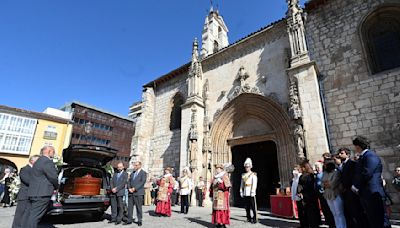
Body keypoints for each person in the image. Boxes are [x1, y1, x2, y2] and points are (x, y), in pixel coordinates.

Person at [351, 136, 390, 228]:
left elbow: (367, 173)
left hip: (373, 192)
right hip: (366, 193)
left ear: (358, 146)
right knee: (373, 220)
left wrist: (355, 186)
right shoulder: (363, 157)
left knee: (380, 220)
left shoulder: (370, 155)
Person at [25, 146, 59, 228]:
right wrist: (57, 186)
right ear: (49, 151)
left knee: (32, 216)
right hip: (42, 194)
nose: (54, 154)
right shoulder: (47, 162)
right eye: (53, 152)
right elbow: (53, 177)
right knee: (35, 217)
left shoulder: (38, 161)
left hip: (34, 193)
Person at [337, 147, 366, 228]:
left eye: (342, 153)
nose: (340, 155)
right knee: (350, 213)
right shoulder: (342, 165)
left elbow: (353, 177)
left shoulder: (352, 164)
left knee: (357, 212)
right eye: (339, 153)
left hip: (351, 192)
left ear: (348, 154)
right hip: (345, 193)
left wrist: (347, 186)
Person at [12, 155, 40, 228]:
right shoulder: (25, 169)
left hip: (31, 196)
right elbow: (27, 181)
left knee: (26, 216)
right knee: (20, 216)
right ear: (32, 161)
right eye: (38, 161)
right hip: (24, 196)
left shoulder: (34, 170)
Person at [322, 159, 346, 228]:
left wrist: (327, 183)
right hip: (328, 195)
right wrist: (326, 183)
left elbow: (333, 184)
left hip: (335, 194)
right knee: (334, 213)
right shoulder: (325, 173)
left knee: (339, 213)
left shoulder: (336, 172)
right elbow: (322, 183)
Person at [298, 160, 321, 228]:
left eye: (301, 167)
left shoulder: (309, 176)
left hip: (310, 197)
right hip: (307, 196)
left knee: (312, 214)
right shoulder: (304, 176)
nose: (300, 169)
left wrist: (303, 193)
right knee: (308, 214)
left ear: (304, 168)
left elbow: (309, 186)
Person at [125, 161, 147, 226]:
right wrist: (129, 188)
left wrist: (134, 188)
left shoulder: (143, 173)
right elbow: (129, 181)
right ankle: (129, 220)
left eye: (136, 165)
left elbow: (142, 182)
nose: (135, 167)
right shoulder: (132, 173)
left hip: (138, 192)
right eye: (134, 165)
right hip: (131, 192)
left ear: (140, 165)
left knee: (138, 207)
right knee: (130, 207)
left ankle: (139, 220)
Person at [315, 161, 335, 228]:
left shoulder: (323, 174)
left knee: (328, 209)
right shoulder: (317, 175)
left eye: (318, 167)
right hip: (320, 194)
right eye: (316, 167)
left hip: (325, 193)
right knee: (324, 209)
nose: (317, 168)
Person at [210, 164, 231, 228]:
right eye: (216, 168)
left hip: (222, 194)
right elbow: (211, 186)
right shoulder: (215, 176)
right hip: (216, 194)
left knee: (222, 210)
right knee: (217, 210)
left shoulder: (224, 175)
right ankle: (218, 222)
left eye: (218, 168)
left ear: (221, 169)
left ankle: (223, 223)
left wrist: (221, 183)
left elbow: (227, 186)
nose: (217, 170)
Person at [240, 158, 258, 224]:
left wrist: (253, 191)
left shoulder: (253, 174)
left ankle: (255, 218)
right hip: (245, 191)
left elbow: (254, 183)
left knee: (253, 206)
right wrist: (241, 191)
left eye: (248, 167)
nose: (246, 168)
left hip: (251, 191)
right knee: (247, 206)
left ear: (250, 167)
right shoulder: (243, 175)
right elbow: (242, 184)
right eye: (246, 167)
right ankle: (248, 217)